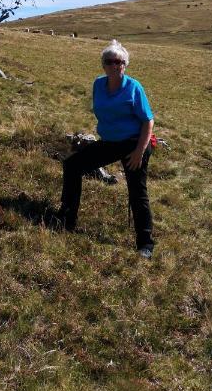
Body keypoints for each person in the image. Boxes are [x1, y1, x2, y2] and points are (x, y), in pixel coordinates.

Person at [55, 40, 155, 257]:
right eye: (109, 61)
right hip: (110, 143)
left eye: (119, 62)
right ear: (103, 65)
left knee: (137, 192)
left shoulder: (134, 87)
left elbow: (148, 121)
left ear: (125, 65)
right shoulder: (98, 84)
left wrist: (139, 151)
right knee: (72, 165)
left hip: (133, 143)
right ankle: (67, 218)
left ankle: (145, 244)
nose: (114, 65)